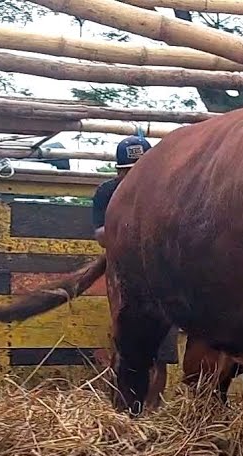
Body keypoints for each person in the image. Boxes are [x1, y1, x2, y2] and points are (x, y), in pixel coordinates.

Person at [91, 135, 177, 406]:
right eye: (129, 171)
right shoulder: (107, 193)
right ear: (118, 172)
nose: (134, 177)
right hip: (126, 279)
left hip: (162, 280)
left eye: (140, 170)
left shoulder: (166, 192)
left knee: (161, 351)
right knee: (126, 346)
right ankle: (123, 409)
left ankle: (152, 412)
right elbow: (102, 237)